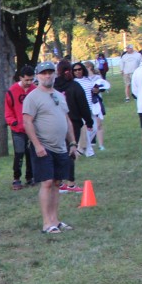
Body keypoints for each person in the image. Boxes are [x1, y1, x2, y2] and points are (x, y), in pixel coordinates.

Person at [22, 61, 80, 234]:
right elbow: (27, 122)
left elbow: (67, 120)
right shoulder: (32, 97)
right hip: (43, 146)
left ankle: (55, 220)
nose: (47, 76)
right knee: (47, 182)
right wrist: (37, 145)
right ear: (37, 76)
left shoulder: (59, 95)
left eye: (50, 72)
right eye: (43, 73)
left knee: (56, 183)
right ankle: (47, 223)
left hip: (61, 147)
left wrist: (72, 143)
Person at [54, 60, 91, 192]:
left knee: (59, 152)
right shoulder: (75, 86)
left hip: (55, 123)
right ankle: (71, 183)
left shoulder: (53, 87)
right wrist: (89, 121)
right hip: (73, 122)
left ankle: (59, 182)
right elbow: (83, 105)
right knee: (71, 151)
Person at [4, 65, 37, 190]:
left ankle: (30, 177)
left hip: (32, 128)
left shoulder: (35, 90)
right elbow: (8, 110)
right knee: (19, 153)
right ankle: (16, 178)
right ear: (20, 78)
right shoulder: (12, 91)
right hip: (18, 129)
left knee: (31, 153)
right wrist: (13, 122)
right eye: (26, 80)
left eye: (31, 80)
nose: (29, 82)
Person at [81, 61, 110, 152]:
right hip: (87, 104)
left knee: (98, 124)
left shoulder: (97, 78)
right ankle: (87, 144)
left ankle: (101, 145)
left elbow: (103, 87)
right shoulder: (83, 79)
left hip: (96, 103)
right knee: (87, 125)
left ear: (89, 67)